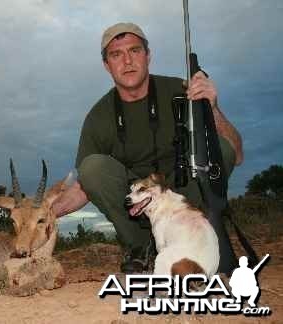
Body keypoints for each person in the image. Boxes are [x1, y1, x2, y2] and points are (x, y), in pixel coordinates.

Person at [51, 22, 244, 273]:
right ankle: (140, 246)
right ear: (106, 65)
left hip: (185, 201)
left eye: (135, 51)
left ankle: (199, 239)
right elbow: (85, 185)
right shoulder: (98, 117)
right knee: (92, 168)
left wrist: (213, 107)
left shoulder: (182, 91)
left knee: (221, 147)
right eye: (116, 55)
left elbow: (236, 155)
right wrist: (42, 216)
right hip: (136, 204)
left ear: (148, 55)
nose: (127, 61)